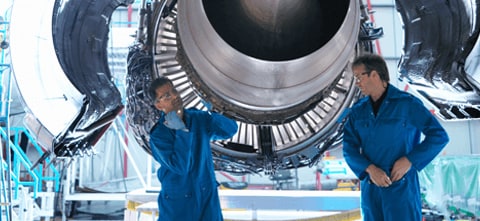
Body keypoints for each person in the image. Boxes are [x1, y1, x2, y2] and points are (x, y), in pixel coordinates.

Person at [342, 53, 449, 221]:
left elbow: (439, 136)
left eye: (359, 77)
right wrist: (370, 169)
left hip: (401, 188)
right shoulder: (358, 111)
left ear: (374, 75)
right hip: (372, 189)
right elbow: (349, 149)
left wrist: (410, 160)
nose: (357, 83)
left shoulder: (407, 104)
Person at [148, 77, 238, 221]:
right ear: (159, 105)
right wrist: (180, 129)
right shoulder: (159, 135)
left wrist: (213, 107)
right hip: (179, 205)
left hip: (206, 199)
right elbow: (181, 166)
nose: (174, 96)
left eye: (174, 91)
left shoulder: (197, 118)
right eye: (167, 96)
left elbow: (229, 129)